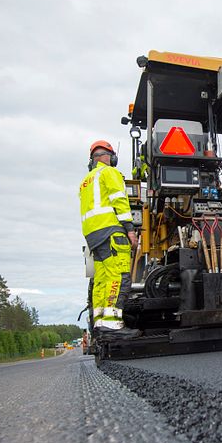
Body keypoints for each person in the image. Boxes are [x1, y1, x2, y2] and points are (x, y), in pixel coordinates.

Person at [79, 140, 140, 340]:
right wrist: (130, 230)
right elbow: (120, 201)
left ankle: (100, 323)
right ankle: (113, 325)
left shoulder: (86, 181)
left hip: (93, 236)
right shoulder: (109, 173)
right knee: (119, 276)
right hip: (111, 232)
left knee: (102, 279)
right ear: (110, 156)